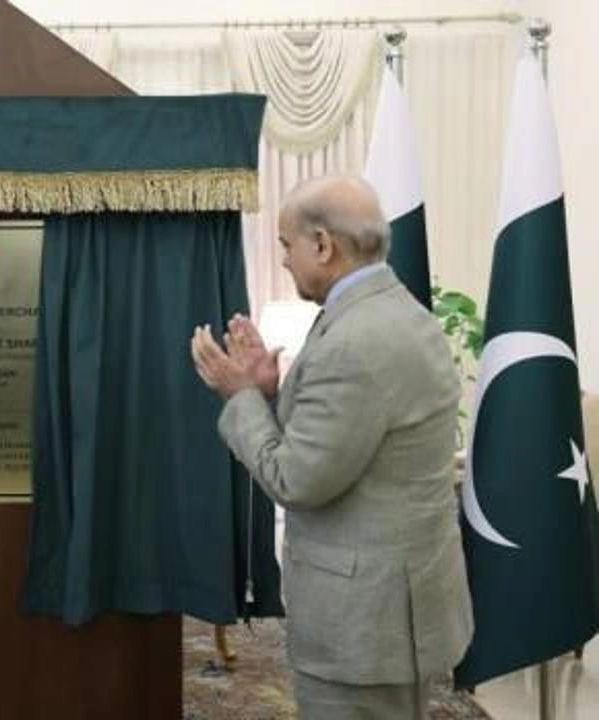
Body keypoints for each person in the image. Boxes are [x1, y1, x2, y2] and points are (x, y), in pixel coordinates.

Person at [189, 175, 473, 719]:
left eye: (286, 245)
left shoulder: (356, 340)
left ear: (322, 245)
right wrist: (270, 392)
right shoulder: (397, 311)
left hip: (363, 628)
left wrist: (240, 396)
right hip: (396, 609)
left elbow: (296, 479)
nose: (285, 260)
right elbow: (349, 438)